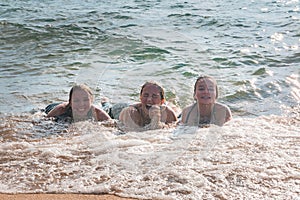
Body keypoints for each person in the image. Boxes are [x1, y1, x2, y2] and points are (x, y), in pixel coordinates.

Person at [46, 84, 111, 123]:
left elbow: (112, 123)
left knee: (106, 108)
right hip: (53, 107)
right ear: (70, 102)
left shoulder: (97, 112)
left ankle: (105, 102)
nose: (81, 104)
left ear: (91, 101)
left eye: (85, 100)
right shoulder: (61, 109)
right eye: (76, 100)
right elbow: (45, 119)